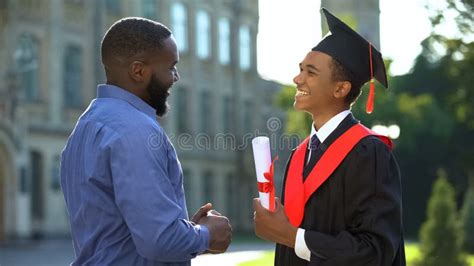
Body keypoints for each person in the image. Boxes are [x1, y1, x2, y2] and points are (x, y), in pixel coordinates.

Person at [60, 17, 232, 265]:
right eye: (171, 67)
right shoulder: (135, 131)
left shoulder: (84, 128)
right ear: (138, 71)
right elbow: (159, 241)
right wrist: (208, 234)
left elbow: (118, 235)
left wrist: (185, 230)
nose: (176, 77)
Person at [253, 8, 405, 266]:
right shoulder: (299, 154)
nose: (297, 79)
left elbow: (375, 252)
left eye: (310, 72)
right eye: (300, 69)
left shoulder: (369, 153)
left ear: (341, 88)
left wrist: (292, 237)